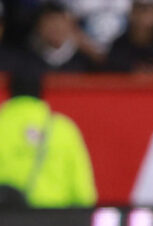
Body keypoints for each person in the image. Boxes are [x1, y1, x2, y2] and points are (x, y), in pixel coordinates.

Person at [0, 66, 97, 208]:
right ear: (41, 92)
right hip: (55, 222)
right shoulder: (64, 129)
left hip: (6, 223)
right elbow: (84, 194)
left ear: (10, 91)